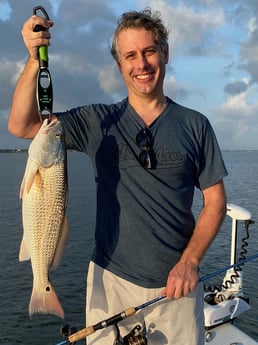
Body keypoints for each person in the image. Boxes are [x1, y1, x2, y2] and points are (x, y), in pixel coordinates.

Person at [8, 8, 227, 345]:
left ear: (165, 53)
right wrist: (35, 58)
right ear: (119, 64)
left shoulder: (195, 125)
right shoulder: (99, 121)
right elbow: (22, 126)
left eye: (149, 51)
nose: (141, 64)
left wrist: (191, 262)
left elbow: (215, 202)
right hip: (108, 281)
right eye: (130, 55)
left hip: (177, 285)